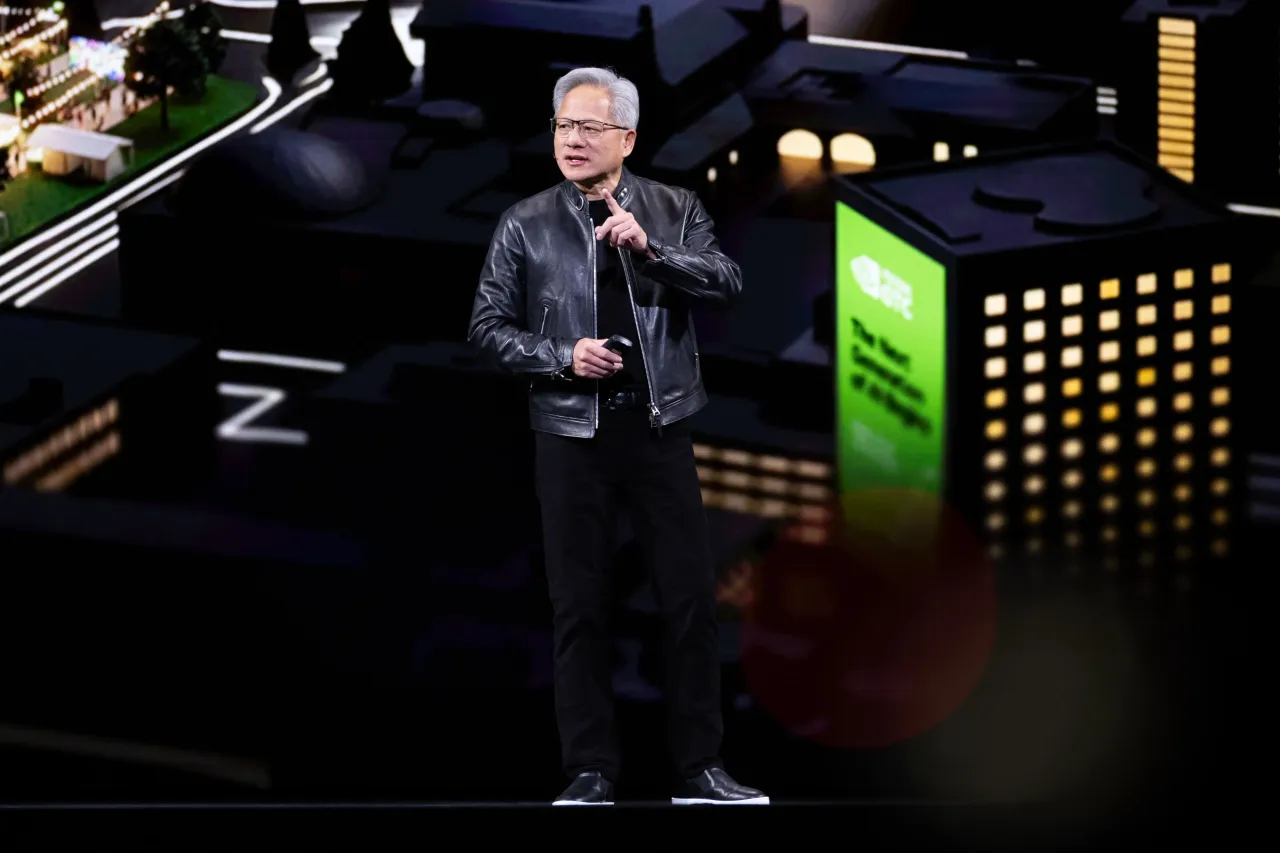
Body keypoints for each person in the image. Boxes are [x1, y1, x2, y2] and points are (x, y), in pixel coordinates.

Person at [468, 67, 768, 807]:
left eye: (589, 127)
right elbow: (486, 329)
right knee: (580, 607)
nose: (572, 140)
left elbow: (727, 281)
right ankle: (590, 771)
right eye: (563, 126)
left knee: (691, 600)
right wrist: (562, 358)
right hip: (569, 436)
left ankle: (701, 769)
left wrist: (651, 250)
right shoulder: (525, 222)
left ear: (627, 139)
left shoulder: (673, 207)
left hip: (658, 428)